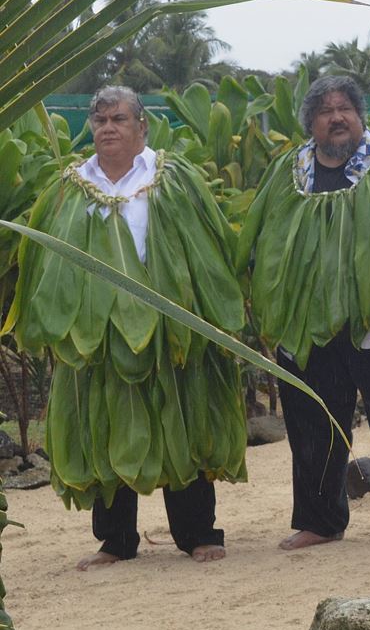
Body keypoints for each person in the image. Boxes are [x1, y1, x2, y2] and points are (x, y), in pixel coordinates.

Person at [14, 86, 247, 569]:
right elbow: (48, 262)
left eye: (118, 119)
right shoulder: (69, 186)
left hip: (169, 327)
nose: (107, 128)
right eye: (99, 120)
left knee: (181, 418)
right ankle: (116, 541)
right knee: (103, 425)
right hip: (95, 335)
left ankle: (197, 533)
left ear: (142, 127)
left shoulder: (172, 178)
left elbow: (206, 249)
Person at [238, 75, 370, 551]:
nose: (336, 117)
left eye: (345, 108)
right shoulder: (289, 171)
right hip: (307, 326)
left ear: (359, 115)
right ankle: (319, 520)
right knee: (313, 423)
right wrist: (271, 311)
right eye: (325, 110)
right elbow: (265, 241)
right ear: (309, 121)